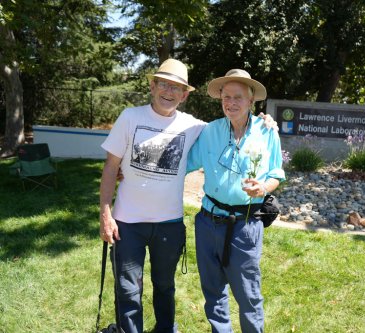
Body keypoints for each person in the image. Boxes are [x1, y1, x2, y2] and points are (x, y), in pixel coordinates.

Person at [100, 59, 277, 333]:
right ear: (152, 86)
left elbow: (269, 164)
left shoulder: (241, 130)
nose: (169, 92)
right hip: (163, 222)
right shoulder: (141, 119)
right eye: (164, 84)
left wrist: (266, 125)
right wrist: (113, 197)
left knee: (178, 288)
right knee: (138, 289)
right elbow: (124, 165)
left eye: (177, 88)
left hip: (205, 223)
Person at [187, 69, 285, 332]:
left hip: (245, 225)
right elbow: (184, 163)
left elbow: (276, 173)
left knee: (248, 295)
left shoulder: (267, 132)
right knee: (213, 290)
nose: (230, 103)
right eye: (226, 97)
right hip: (207, 222)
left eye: (237, 97)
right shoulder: (210, 131)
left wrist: (263, 187)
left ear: (251, 101)